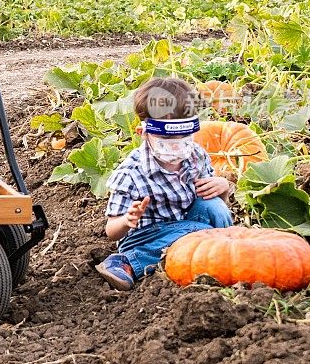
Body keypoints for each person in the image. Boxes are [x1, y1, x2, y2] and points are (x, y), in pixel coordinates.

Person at [95, 77, 234, 290]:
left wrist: (222, 187)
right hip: (145, 237)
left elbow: (214, 204)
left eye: (184, 138)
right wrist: (127, 219)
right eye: (167, 141)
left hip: (190, 224)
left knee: (213, 207)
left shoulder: (196, 156)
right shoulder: (131, 173)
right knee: (199, 232)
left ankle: (228, 255)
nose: (177, 148)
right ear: (144, 133)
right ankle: (128, 261)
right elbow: (112, 231)